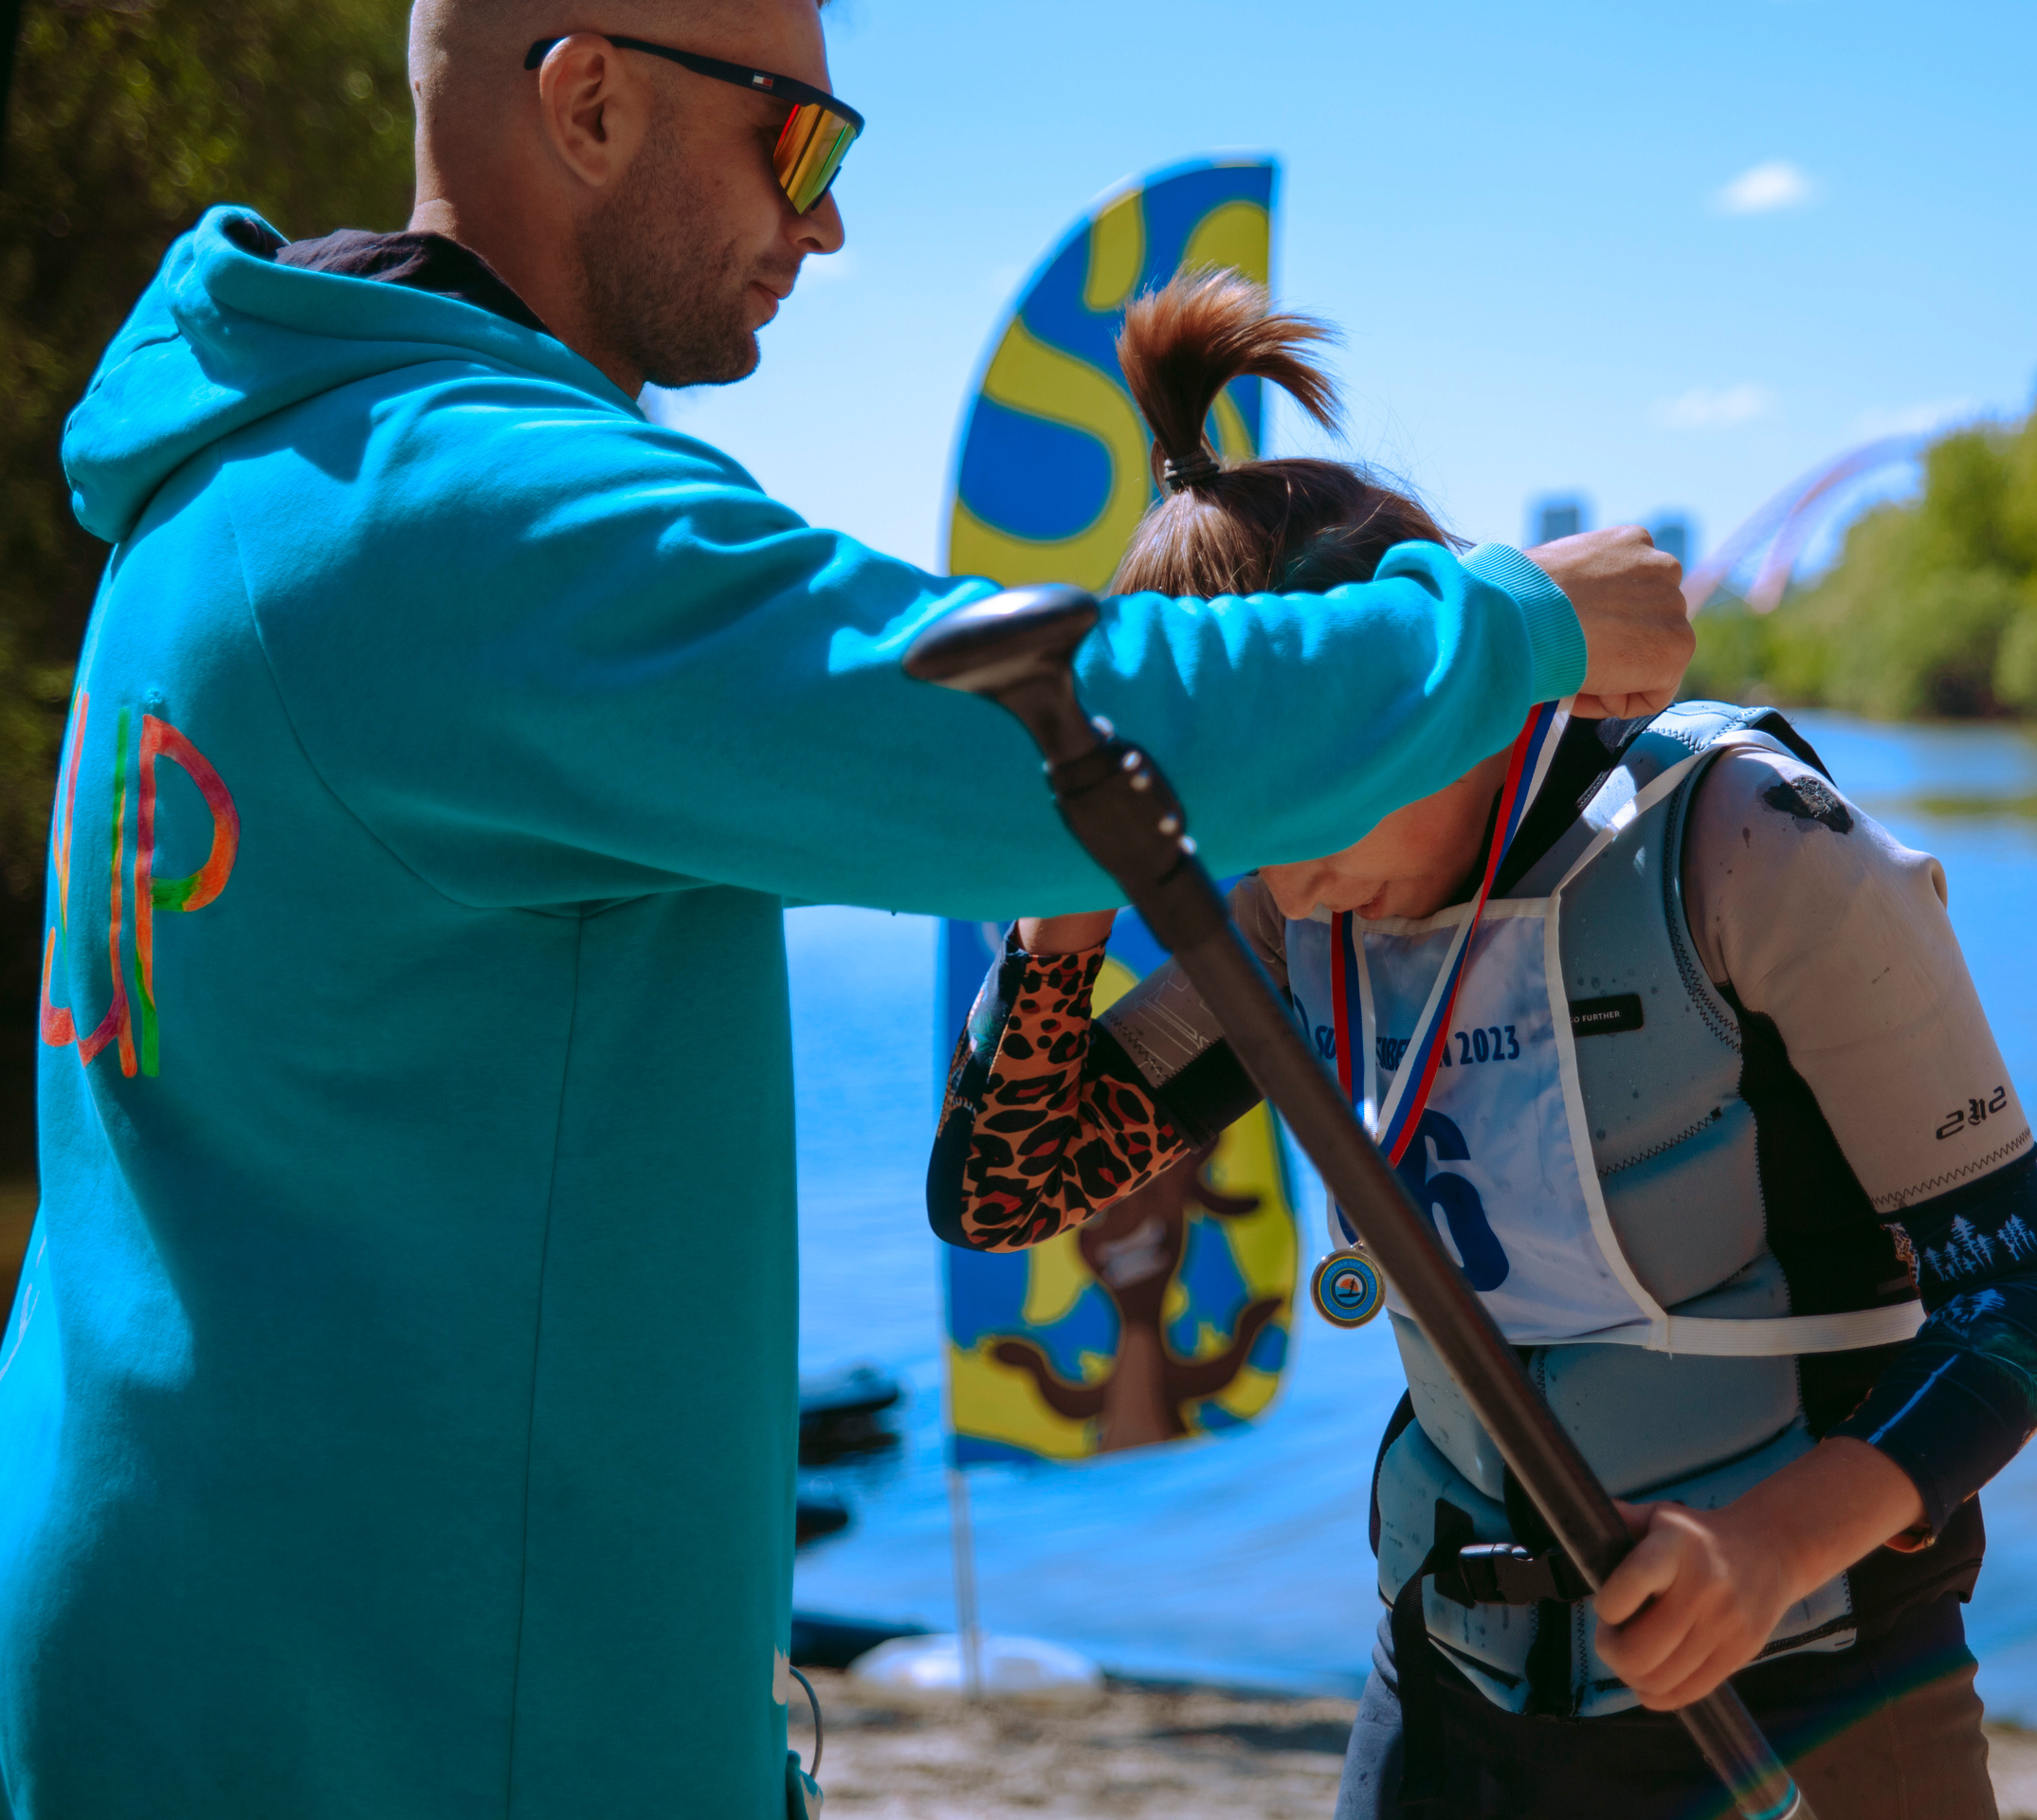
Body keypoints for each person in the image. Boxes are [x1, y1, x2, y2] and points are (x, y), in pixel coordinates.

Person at [0, 1, 1698, 1815]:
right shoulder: (464, 514)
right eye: (801, 142)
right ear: (586, 104)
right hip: (407, 1710)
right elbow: (1026, 734)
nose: (827, 228)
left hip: (186, 1636)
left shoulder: (233, 480)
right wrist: (1513, 625)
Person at [929, 272, 2037, 1819]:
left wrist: (1770, 1548)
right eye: (1238, 819)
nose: (1279, 868)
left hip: (1809, 1684)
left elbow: (2029, 1309)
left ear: (1433, 698)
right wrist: (1072, 882)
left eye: (1315, 792)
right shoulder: (1292, 924)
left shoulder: (1742, 841)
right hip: (1451, 1677)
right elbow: (1006, 1194)